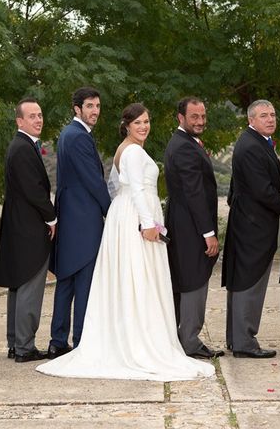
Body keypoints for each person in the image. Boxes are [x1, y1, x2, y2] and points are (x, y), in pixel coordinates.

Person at [37, 104, 215, 380]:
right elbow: (137, 190)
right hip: (137, 219)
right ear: (127, 125)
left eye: (147, 121)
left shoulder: (127, 149)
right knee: (138, 281)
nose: (144, 126)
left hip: (127, 215)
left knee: (134, 281)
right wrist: (146, 224)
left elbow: (113, 187)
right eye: (138, 123)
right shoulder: (131, 151)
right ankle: (140, 342)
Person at [48, 87, 111, 358]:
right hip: (83, 223)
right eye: (89, 106)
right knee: (82, 283)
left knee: (67, 282)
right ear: (77, 109)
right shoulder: (78, 138)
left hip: (71, 219)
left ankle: (57, 341)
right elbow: (94, 182)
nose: (94, 111)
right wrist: (113, 210)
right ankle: (81, 342)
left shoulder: (69, 134)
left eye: (97, 106)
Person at [222, 99, 280, 358]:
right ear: (251, 119)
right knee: (249, 283)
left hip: (250, 221)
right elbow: (263, 190)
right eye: (264, 115)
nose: (270, 119)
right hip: (253, 227)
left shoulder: (257, 142)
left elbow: (234, 189)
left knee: (245, 281)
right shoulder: (251, 146)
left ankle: (237, 339)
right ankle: (244, 343)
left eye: (272, 114)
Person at [0, 98, 56, 363]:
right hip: (29, 228)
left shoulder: (22, 146)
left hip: (19, 227)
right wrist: (52, 217)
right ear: (20, 121)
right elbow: (34, 190)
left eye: (40, 115)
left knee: (19, 286)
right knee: (30, 285)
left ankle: (15, 342)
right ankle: (24, 346)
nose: (38, 120)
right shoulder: (22, 148)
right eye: (32, 116)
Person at [164, 97, 224, 359]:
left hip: (182, 224)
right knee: (193, 281)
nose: (200, 121)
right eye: (194, 117)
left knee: (185, 280)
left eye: (202, 116)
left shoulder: (184, 143)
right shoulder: (185, 147)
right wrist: (208, 233)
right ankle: (189, 341)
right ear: (181, 118)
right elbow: (194, 193)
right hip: (190, 228)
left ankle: (182, 338)